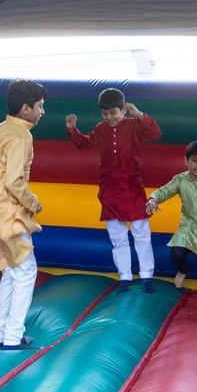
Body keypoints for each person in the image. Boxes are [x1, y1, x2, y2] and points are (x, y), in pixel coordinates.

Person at [0, 79, 48, 350]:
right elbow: (14, 182)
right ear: (26, 108)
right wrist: (33, 203)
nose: (42, 112)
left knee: (10, 271)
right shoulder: (21, 136)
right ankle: (13, 337)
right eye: (40, 106)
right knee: (26, 272)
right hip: (9, 214)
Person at [65, 88, 162, 294]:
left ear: (123, 110)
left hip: (133, 190)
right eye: (105, 113)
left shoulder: (134, 125)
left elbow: (155, 133)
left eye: (113, 113)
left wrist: (139, 114)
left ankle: (147, 276)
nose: (109, 117)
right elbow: (84, 143)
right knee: (118, 238)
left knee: (142, 234)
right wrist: (73, 130)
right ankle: (124, 277)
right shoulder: (101, 129)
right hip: (110, 192)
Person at [146, 140, 197, 309]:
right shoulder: (180, 180)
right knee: (176, 254)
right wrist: (153, 199)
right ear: (186, 161)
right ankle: (183, 270)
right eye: (194, 161)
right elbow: (164, 191)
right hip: (189, 228)